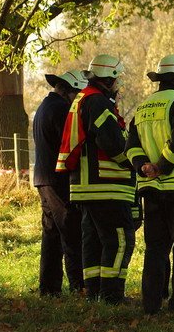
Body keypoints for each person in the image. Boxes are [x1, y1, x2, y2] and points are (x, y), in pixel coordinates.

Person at [126, 54, 174, 315]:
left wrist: (144, 167)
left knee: (156, 248)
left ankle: (151, 304)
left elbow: (131, 148)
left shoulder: (143, 107)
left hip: (151, 189)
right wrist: (162, 165)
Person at [57, 54, 137, 303]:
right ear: (109, 78)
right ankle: (112, 295)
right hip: (106, 185)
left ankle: (93, 292)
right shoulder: (98, 102)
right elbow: (111, 142)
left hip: (85, 187)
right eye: (117, 78)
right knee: (120, 239)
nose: (119, 83)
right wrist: (135, 162)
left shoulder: (83, 99)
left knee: (92, 241)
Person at [32, 68, 87, 296]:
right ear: (68, 91)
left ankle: (49, 287)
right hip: (58, 180)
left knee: (52, 234)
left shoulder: (44, 107)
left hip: (43, 179)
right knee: (71, 231)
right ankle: (78, 286)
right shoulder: (62, 110)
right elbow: (72, 143)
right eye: (78, 94)